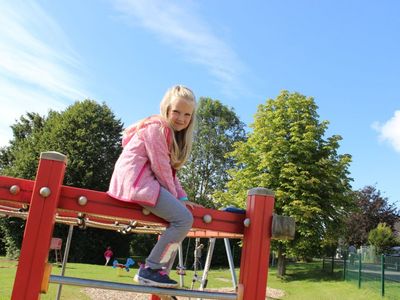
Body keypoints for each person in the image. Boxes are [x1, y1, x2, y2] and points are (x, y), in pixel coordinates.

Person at [107, 85, 201, 288]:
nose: (181, 118)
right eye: (176, 111)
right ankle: (150, 269)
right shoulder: (158, 128)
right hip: (136, 182)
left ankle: (158, 271)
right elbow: (161, 168)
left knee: (181, 217)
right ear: (166, 109)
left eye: (187, 114)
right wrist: (177, 201)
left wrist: (182, 198)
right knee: (183, 219)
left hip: (142, 181)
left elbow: (170, 173)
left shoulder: (168, 133)